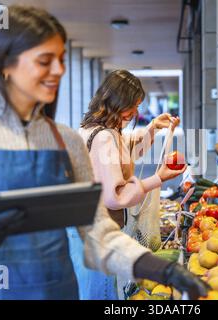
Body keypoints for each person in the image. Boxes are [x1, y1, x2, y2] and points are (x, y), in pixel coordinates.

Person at [0, 5, 207, 300]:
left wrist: (161, 269)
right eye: (45, 60)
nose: (59, 70)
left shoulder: (68, 140)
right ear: (4, 65)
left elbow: (99, 231)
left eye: (60, 60)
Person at [77, 70, 185, 299]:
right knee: (103, 295)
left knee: (91, 291)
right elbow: (114, 196)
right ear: (116, 102)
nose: (136, 112)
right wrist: (159, 179)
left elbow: (126, 154)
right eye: (133, 106)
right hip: (101, 235)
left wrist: (154, 127)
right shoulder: (106, 136)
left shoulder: (90, 130)